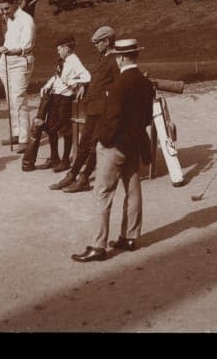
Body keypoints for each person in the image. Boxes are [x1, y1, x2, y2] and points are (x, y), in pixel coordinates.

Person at [72, 37, 154, 262]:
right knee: (133, 191)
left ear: (120, 58)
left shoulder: (118, 85)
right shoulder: (146, 83)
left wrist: (102, 141)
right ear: (135, 55)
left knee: (103, 193)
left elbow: (112, 119)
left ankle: (98, 246)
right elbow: (147, 118)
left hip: (115, 145)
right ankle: (129, 237)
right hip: (135, 144)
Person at [53, 25, 119, 193]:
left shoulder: (115, 59)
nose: (95, 45)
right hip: (93, 108)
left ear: (107, 41)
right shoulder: (102, 57)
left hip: (104, 110)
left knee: (93, 145)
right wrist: (83, 84)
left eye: (98, 42)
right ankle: (72, 174)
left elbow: (118, 86)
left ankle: (84, 178)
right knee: (84, 143)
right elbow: (95, 79)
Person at [22, 37, 91, 172]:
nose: (58, 51)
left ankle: (65, 161)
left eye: (59, 49)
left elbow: (87, 76)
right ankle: (55, 159)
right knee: (50, 128)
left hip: (65, 100)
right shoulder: (63, 61)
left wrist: (78, 83)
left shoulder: (75, 61)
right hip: (55, 97)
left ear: (66, 48)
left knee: (65, 130)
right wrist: (47, 85)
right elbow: (57, 77)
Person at [0, 0, 35, 151]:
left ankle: (25, 139)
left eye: (7, 8)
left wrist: (11, 51)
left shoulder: (26, 20)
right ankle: (17, 133)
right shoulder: (10, 19)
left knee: (19, 99)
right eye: (1, 9)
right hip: (6, 62)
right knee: (10, 99)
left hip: (20, 62)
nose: (4, 12)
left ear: (15, 4)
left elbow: (26, 46)